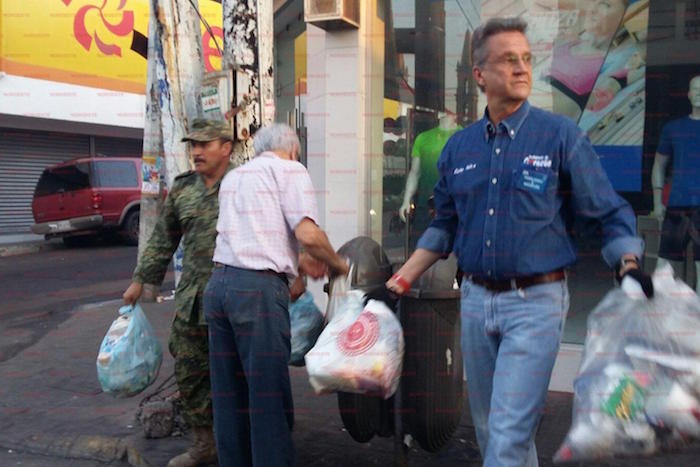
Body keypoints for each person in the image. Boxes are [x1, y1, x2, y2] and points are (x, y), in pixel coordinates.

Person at [368, 17, 653, 467]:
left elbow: (608, 210)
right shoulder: (459, 149)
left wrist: (629, 266)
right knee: (491, 429)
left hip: (536, 301)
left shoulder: (560, 136)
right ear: (480, 75)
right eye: (507, 60)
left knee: (507, 431)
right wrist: (396, 284)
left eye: (526, 59)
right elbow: (443, 227)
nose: (521, 68)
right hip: (477, 300)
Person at [205, 123, 349, 466]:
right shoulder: (289, 169)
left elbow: (249, 237)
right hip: (256, 294)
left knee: (229, 398)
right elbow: (308, 234)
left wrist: (296, 263)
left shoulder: (235, 178)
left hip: (220, 288)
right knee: (268, 396)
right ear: (294, 150)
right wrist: (338, 265)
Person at [122, 118, 233, 467]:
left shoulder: (245, 183)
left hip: (237, 298)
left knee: (242, 372)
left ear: (226, 147)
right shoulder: (184, 188)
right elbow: (163, 238)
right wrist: (142, 279)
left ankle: (243, 441)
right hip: (193, 300)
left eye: (204, 144)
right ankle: (205, 444)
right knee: (189, 369)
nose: (196, 152)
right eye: (193, 145)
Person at [650, 75, 700, 293]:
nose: (699, 92)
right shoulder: (673, 128)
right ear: (688, 94)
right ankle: (659, 318)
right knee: (664, 268)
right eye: (695, 88)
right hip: (677, 205)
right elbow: (658, 165)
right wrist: (657, 202)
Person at [549, 0, 629, 120]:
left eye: (605, 5)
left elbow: (602, 95)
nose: (593, 9)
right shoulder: (566, 45)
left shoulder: (611, 61)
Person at [399, 113, 462, 246]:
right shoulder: (423, 138)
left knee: (452, 254)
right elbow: (415, 172)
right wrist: (406, 200)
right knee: (421, 248)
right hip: (425, 206)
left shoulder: (465, 137)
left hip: (454, 207)